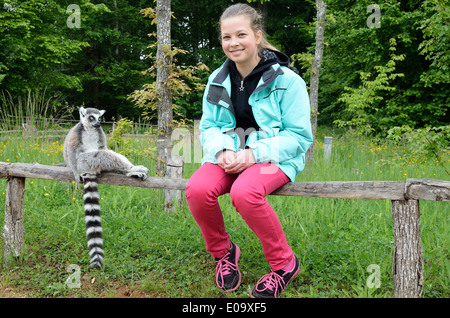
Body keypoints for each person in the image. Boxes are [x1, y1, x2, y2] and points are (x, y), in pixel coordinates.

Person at [185, 3, 313, 298]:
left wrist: (253, 154)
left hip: (275, 157)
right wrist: (221, 152)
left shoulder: (287, 80)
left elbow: (299, 136)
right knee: (197, 189)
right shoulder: (217, 80)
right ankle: (224, 253)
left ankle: (283, 264)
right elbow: (210, 127)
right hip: (230, 155)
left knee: (245, 192)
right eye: (226, 37)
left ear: (257, 36)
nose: (233, 43)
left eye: (240, 35)